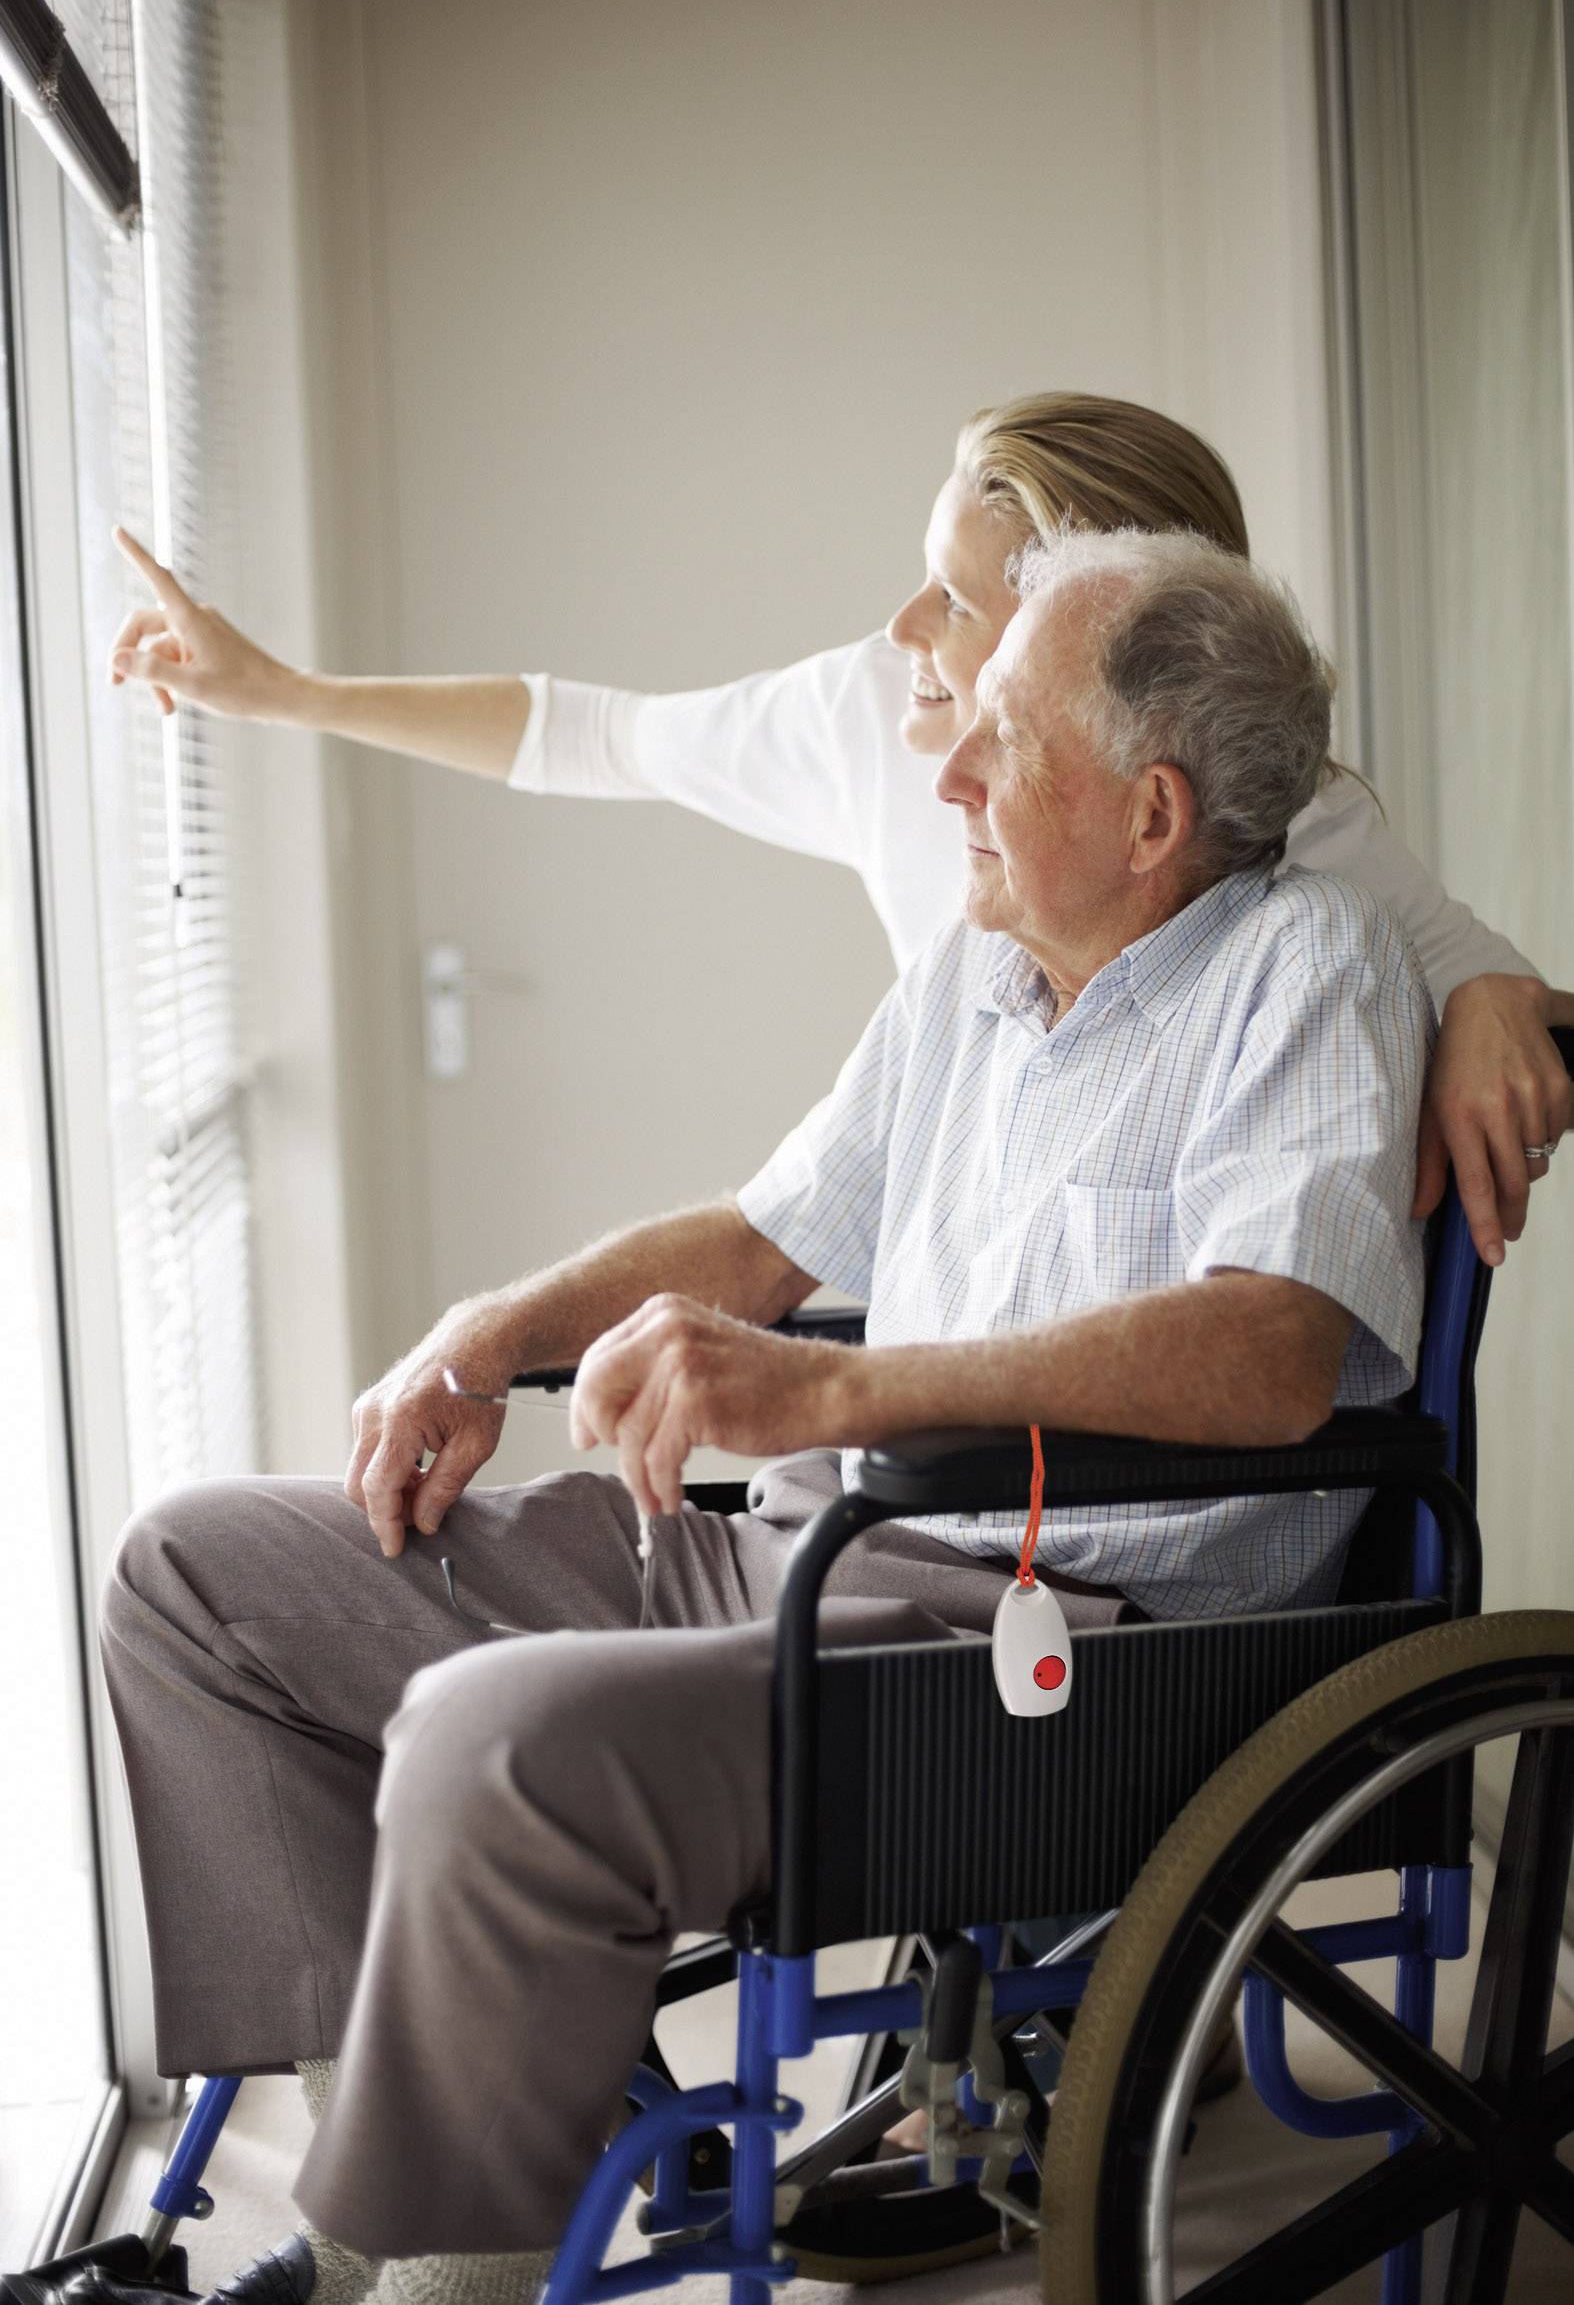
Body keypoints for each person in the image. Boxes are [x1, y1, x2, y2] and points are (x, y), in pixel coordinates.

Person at [99, 530, 1435, 2305]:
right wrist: (489, 1333)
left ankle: (416, 2276)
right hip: (809, 1555)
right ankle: (426, 2193)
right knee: (198, 1574)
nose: (944, 760)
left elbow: (1269, 1348)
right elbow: (758, 1238)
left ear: (1151, 814)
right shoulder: (974, 975)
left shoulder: (1308, 967)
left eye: (1005, 736)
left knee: (489, 1736)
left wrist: (843, 1384)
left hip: (1059, 1648)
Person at [107, 392, 1570, 1263]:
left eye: (959, 603)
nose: (902, 629)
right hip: (965, 1301)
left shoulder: (1272, 809)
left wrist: (1487, 998)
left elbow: (1494, 981)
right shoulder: (868, 713)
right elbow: (590, 733)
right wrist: (281, 693)